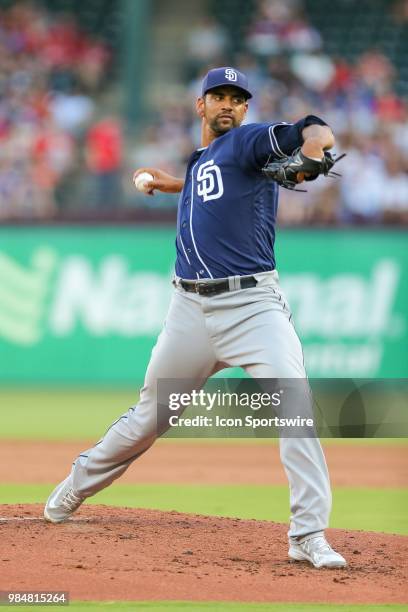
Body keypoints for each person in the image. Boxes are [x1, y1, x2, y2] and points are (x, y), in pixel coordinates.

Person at [44, 67, 347, 569]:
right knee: (152, 415)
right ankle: (76, 484)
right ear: (199, 106)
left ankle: (308, 534)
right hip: (188, 310)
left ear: (247, 110)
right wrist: (172, 184)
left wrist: (312, 157)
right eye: (218, 96)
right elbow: (213, 184)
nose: (228, 104)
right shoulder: (206, 159)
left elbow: (313, 127)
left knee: (294, 405)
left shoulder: (249, 142)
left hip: (252, 308)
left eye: (237, 98)